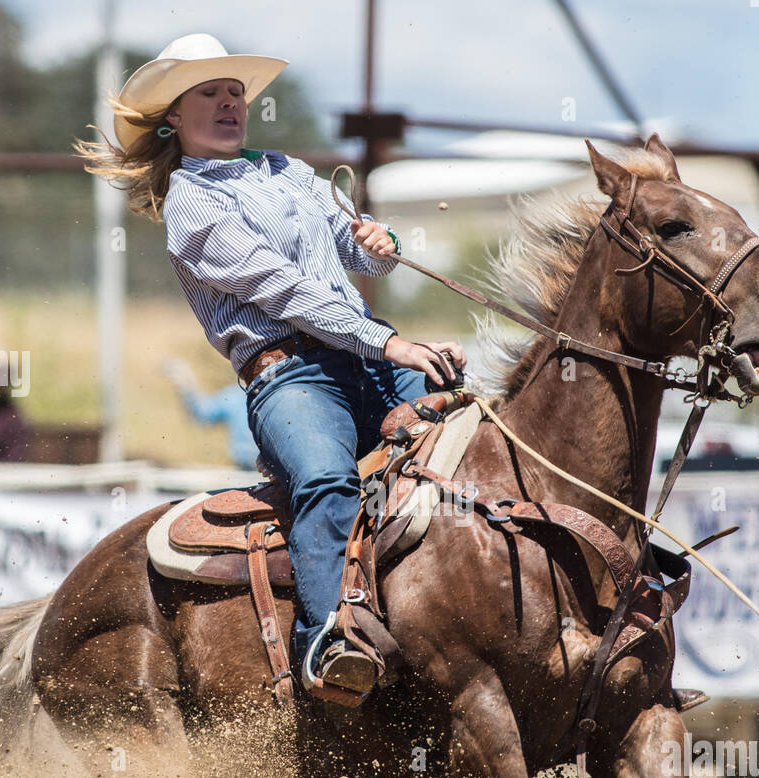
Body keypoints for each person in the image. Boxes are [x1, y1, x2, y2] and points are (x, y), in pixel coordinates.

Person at [76, 33, 467, 696]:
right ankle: (329, 641)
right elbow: (285, 288)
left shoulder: (287, 170)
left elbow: (358, 251)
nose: (231, 103)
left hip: (365, 351)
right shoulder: (192, 205)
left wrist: (381, 241)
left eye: (236, 93)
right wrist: (390, 343)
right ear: (173, 115)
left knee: (475, 424)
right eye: (211, 93)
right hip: (292, 376)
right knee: (325, 480)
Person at [160, 356, 260, 470]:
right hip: (246, 469)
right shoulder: (235, 395)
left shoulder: (277, 392)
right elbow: (204, 413)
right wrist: (186, 385)